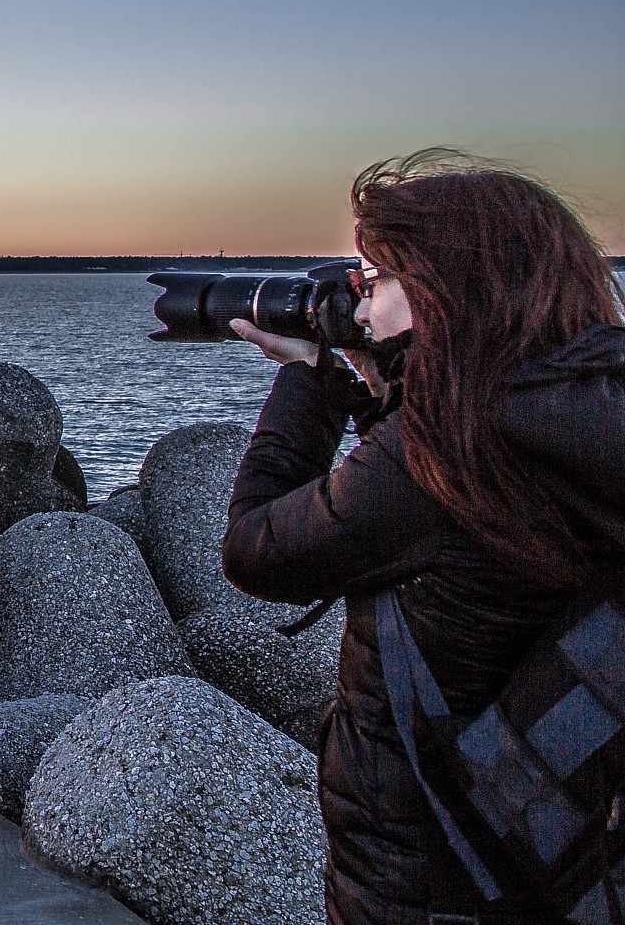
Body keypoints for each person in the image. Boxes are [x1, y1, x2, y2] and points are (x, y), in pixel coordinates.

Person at [221, 150, 625, 924]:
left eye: (376, 281)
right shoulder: (577, 411)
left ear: (443, 287)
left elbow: (255, 546)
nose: (362, 311)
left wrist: (309, 376)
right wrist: (390, 392)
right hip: (567, 859)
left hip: (433, 873)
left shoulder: (442, 452)